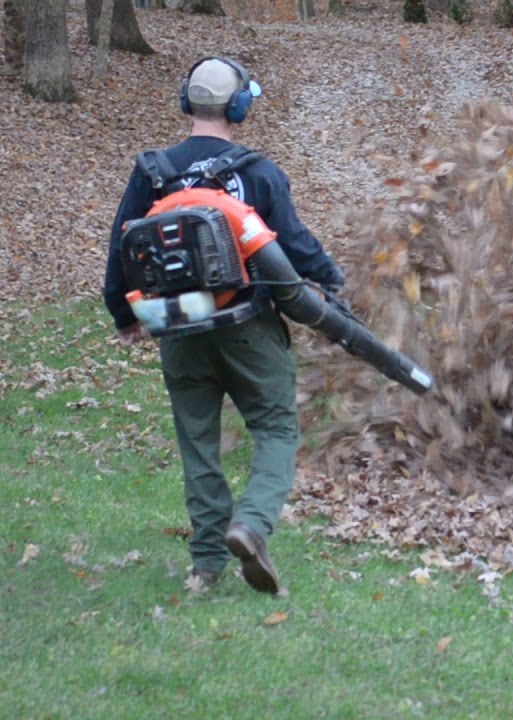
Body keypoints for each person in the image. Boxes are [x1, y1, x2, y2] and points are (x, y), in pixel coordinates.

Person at [102, 56, 345, 595]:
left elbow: (122, 244)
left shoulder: (153, 171)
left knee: (197, 443)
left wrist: (124, 315)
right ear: (240, 106)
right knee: (278, 429)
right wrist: (333, 280)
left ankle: (205, 566)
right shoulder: (256, 172)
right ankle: (251, 525)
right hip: (248, 324)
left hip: (179, 330)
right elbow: (294, 246)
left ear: (188, 102)